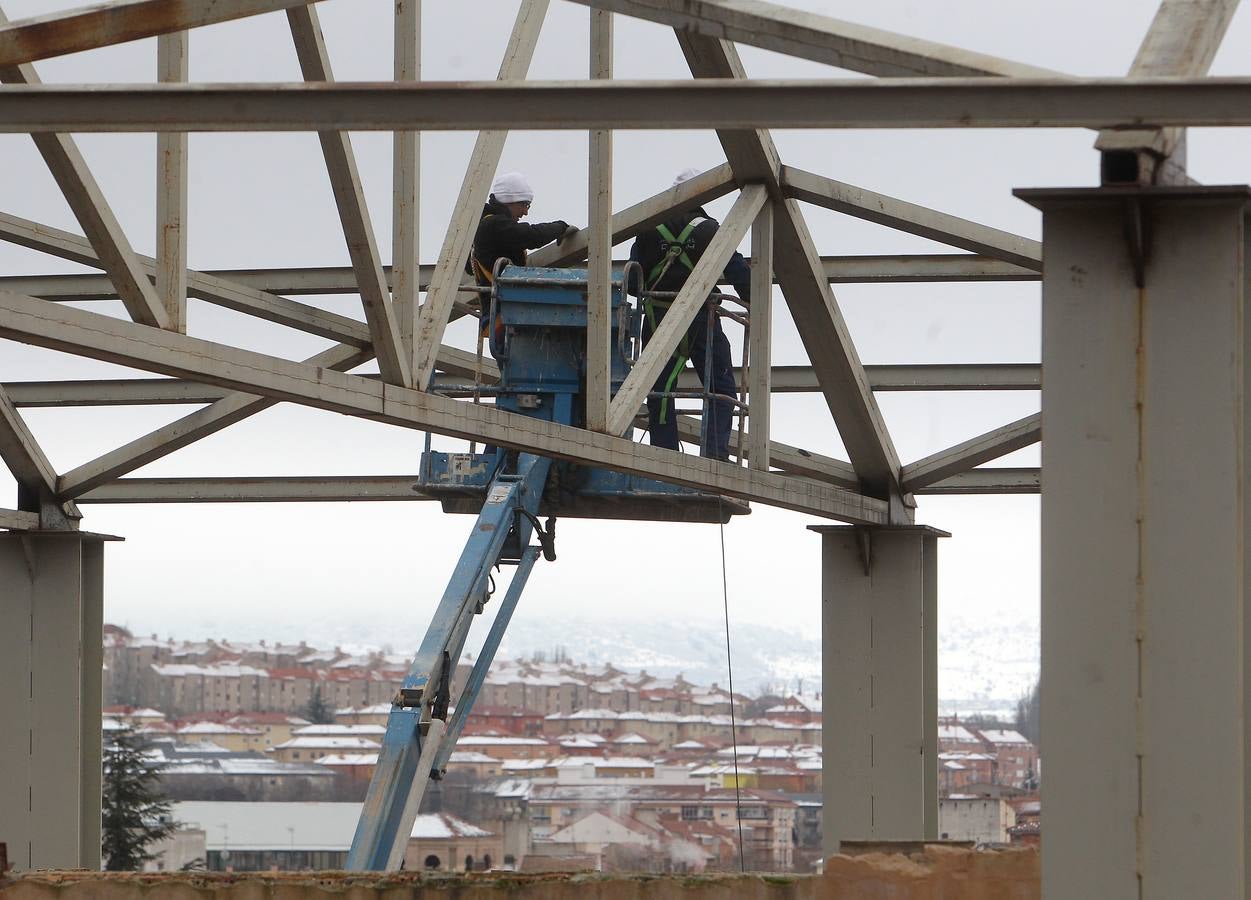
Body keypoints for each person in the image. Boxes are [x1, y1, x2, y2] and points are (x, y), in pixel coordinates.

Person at [627, 168, 751, 461]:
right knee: (720, 386)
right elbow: (741, 277)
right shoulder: (710, 230)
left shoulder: (648, 230)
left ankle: (664, 453)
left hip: (658, 319)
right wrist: (751, 298)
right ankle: (714, 454)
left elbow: (632, 283)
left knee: (659, 388)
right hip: (702, 320)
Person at [469, 171, 574, 354]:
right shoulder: (493, 225)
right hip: (507, 318)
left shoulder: (483, 227)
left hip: (499, 319)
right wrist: (561, 227)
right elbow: (531, 235)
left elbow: (468, 268)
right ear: (509, 201)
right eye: (524, 205)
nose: (526, 212)